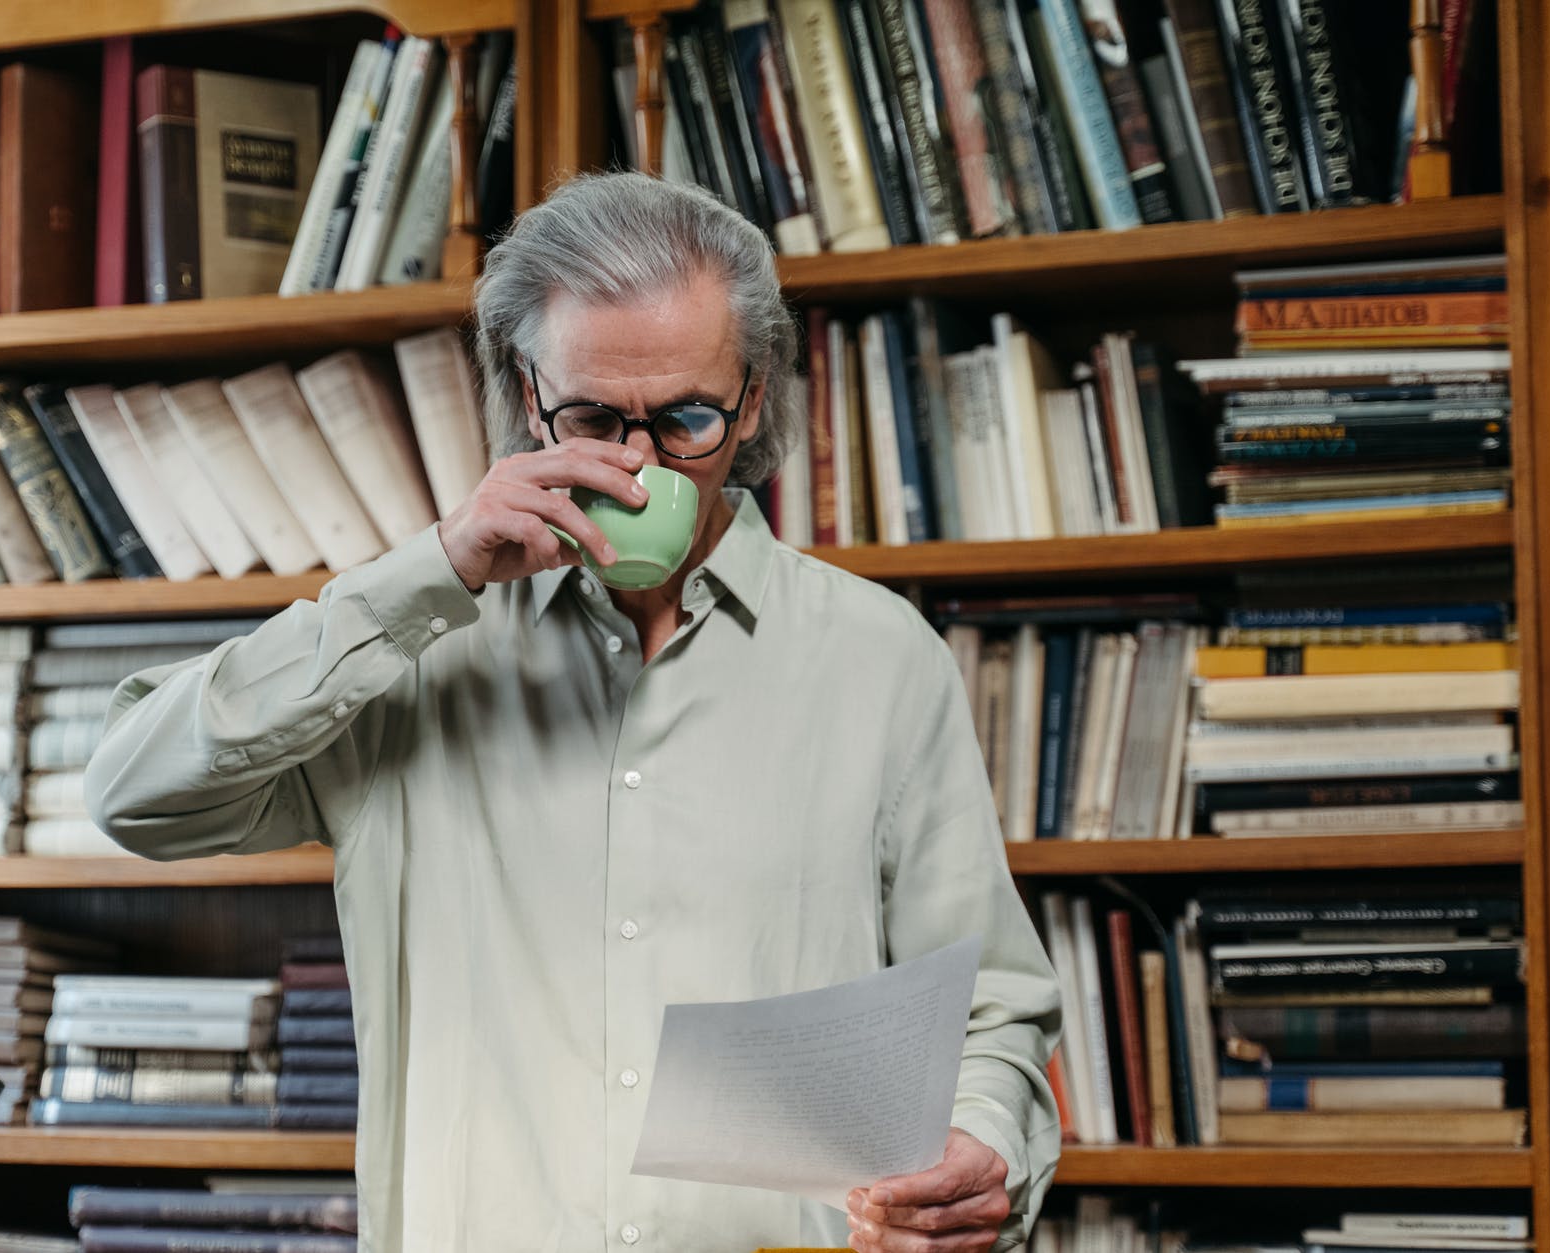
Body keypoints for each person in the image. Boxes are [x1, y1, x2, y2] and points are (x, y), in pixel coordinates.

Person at [85, 172, 1061, 1253]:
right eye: (594, 417)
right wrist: (432, 572)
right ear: (525, 388)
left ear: (754, 395)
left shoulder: (882, 660)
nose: (638, 467)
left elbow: (984, 1006)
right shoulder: (405, 649)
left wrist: (977, 1143)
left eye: (687, 417)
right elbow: (133, 791)